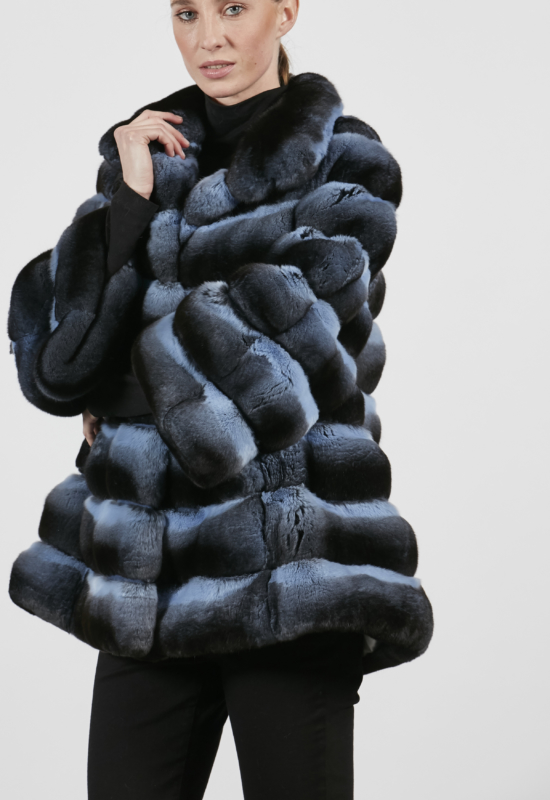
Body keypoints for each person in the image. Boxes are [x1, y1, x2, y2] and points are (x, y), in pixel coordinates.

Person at [6, 1, 434, 797]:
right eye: (187, 12)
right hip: (145, 586)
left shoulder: (346, 164)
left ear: (286, 11)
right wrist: (131, 202)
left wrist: (123, 388)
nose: (209, 37)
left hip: (291, 574)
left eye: (235, 7)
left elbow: (276, 346)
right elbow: (56, 364)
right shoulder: (145, 159)